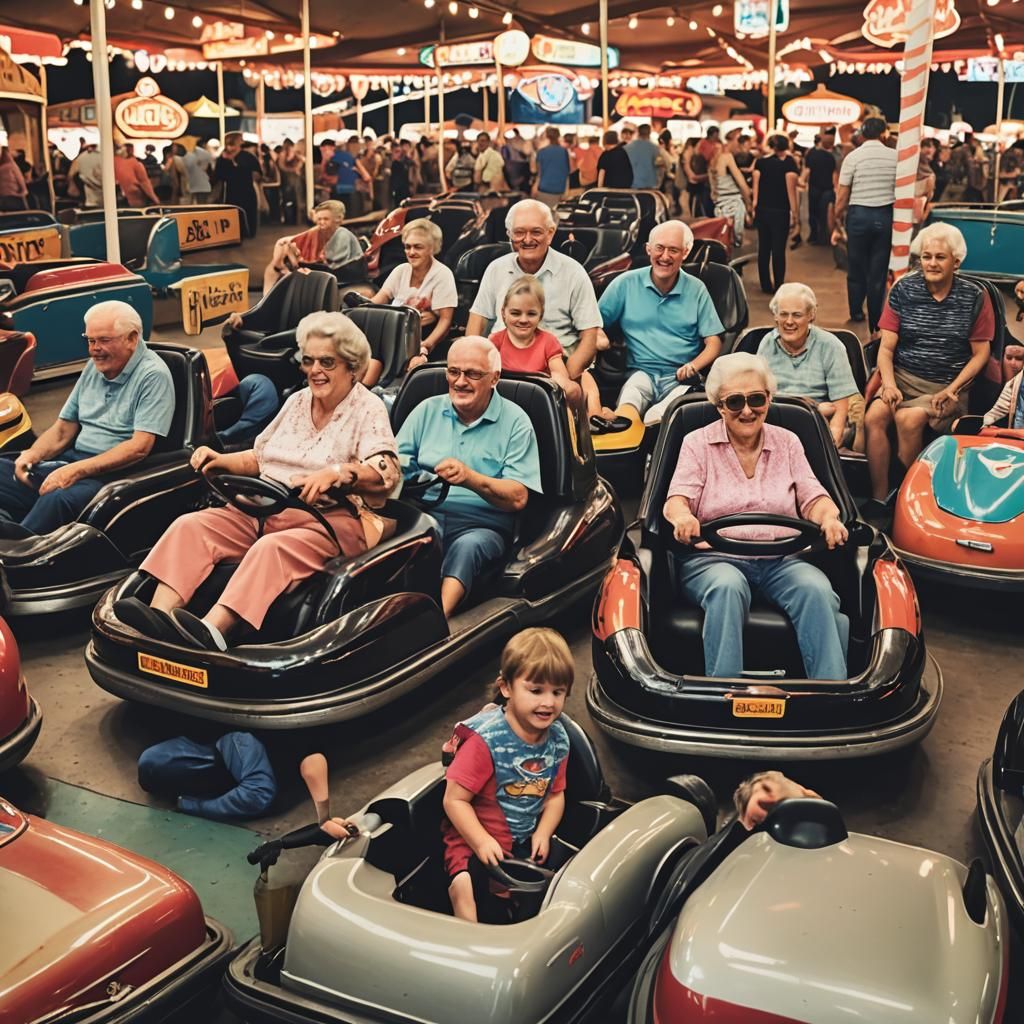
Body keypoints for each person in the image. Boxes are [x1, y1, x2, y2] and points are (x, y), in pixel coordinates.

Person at [114, 312, 400, 650]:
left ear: (352, 367)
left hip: (326, 520)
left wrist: (338, 473)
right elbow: (260, 457)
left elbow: (386, 469)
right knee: (190, 526)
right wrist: (220, 461)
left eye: (327, 362)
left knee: (271, 548)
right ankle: (158, 619)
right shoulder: (297, 401)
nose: (315, 371)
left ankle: (213, 631)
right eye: (308, 361)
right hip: (264, 508)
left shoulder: (367, 408)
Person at [663, 352, 850, 680]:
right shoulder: (697, 443)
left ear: (769, 399)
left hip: (781, 558)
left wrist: (830, 519)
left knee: (817, 589)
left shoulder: (788, 442)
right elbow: (678, 500)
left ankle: (831, 696)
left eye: (756, 399)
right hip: (715, 559)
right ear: (719, 406)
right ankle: (722, 694)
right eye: (734, 401)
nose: (747, 410)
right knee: (727, 587)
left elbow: (813, 497)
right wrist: (683, 518)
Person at [0, 301, 174, 537]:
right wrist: (32, 454)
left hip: (111, 475)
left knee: (58, 499)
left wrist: (76, 471)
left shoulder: (153, 375)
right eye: (91, 340)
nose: (94, 349)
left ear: (132, 339)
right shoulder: (94, 367)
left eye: (103, 340)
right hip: (72, 461)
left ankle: (17, 552)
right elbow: (63, 430)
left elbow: (138, 448)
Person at [396, 336, 542, 616]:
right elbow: (393, 466)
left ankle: (438, 622)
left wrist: (469, 478)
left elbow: (518, 497)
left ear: (494, 378)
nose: (460, 382)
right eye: (453, 372)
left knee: (467, 547)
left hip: (483, 526)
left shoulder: (516, 422)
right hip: (425, 515)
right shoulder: (427, 410)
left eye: (473, 374)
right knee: (404, 536)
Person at [441, 627, 572, 922]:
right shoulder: (487, 741)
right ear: (506, 688)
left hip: (518, 838)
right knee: (467, 886)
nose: (548, 702)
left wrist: (544, 832)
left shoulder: (558, 740)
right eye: (536, 690)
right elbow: (454, 801)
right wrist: (481, 841)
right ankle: (464, 922)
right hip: (472, 836)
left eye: (558, 692)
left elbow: (555, 794)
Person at [864, 223, 993, 501]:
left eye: (940, 257)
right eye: (926, 256)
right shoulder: (903, 289)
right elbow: (885, 349)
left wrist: (953, 389)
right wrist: (887, 385)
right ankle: (878, 498)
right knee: (874, 416)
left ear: (956, 262)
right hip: (902, 377)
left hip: (946, 386)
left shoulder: (974, 296)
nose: (931, 263)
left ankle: (918, 499)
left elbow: (981, 354)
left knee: (907, 419)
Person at [598, 220, 723, 425]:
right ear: (649, 249)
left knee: (657, 418)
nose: (665, 256)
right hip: (640, 372)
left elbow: (714, 342)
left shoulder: (697, 289)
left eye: (673, 250)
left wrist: (694, 366)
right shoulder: (625, 283)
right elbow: (593, 326)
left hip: (681, 378)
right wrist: (599, 337)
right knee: (628, 405)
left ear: (686, 252)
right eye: (659, 248)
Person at [467, 199, 601, 384]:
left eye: (536, 232)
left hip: (556, 366)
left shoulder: (574, 272)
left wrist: (561, 384)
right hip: (501, 367)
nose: (527, 239)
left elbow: (589, 340)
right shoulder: (495, 269)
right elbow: (476, 324)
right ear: (510, 235)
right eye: (519, 232)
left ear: (550, 233)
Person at [757, 283, 862, 449]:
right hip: (775, 421)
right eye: (783, 314)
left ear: (811, 315)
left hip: (815, 425)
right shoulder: (767, 344)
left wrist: (833, 436)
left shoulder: (831, 346)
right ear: (775, 316)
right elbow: (758, 393)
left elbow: (841, 404)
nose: (789, 322)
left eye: (797, 315)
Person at [833, 116, 897, 338]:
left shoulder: (853, 157)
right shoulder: (895, 157)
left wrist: (836, 219)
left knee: (856, 265)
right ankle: (876, 321)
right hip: (885, 215)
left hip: (858, 215)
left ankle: (856, 311)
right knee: (878, 271)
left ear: (862, 134)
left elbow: (842, 195)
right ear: (884, 134)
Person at [371, 218, 457, 372]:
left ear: (432, 248)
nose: (411, 252)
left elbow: (445, 321)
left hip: (424, 338)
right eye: (407, 247)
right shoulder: (401, 270)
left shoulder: (443, 274)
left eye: (418, 247)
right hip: (392, 333)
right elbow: (377, 301)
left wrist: (426, 346)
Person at [489, 276, 576, 396]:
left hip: (537, 404)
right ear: (503, 313)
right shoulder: (495, 342)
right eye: (515, 313)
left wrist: (563, 384)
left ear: (540, 315)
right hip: (504, 402)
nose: (523, 320)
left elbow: (559, 375)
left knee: (574, 389)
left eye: (531, 314)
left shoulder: (548, 342)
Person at [262, 199, 363, 294]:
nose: (322, 222)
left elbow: (333, 263)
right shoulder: (319, 231)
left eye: (326, 219)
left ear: (338, 219)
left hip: (345, 275)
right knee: (277, 265)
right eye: (319, 219)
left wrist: (303, 264)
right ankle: (266, 298)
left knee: (296, 273)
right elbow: (285, 242)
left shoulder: (342, 234)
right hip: (330, 271)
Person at [752, 135, 799, 295]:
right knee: (778, 250)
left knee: (764, 248)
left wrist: (754, 208)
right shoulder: (789, 163)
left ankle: (765, 285)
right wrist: (795, 214)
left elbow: (756, 189)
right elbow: (791, 191)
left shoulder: (760, 162)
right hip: (781, 211)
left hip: (762, 210)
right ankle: (779, 285)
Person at [215, 132, 260, 237]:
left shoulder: (247, 156)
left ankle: (246, 233)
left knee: (247, 213)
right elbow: (218, 175)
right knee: (233, 213)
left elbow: (257, 173)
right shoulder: (223, 158)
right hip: (231, 190)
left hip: (245, 189)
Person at [712, 133, 752, 248]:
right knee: (736, 244)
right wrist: (749, 204)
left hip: (720, 207)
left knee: (724, 242)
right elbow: (742, 184)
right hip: (733, 205)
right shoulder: (727, 157)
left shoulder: (713, 161)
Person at [801, 128, 838, 246]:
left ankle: (814, 235)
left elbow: (807, 170)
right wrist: (836, 188)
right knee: (826, 214)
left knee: (813, 212)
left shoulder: (811, 154)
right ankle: (825, 236)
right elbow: (834, 174)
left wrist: (801, 180)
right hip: (828, 189)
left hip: (814, 188)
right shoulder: (831, 157)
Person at [532, 127, 570, 208]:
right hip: (560, 189)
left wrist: (535, 187)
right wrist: (566, 190)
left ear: (546, 136)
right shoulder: (564, 151)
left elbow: (538, 172)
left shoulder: (541, 152)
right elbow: (567, 172)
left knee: (545, 216)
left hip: (544, 189)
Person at [625, 122, 664, 190]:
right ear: (649, 133)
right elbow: (660, 167)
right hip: (650, 184)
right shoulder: (655, 148)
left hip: (631, 183)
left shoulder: (627, 148)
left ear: (638, 132)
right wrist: (659, 183)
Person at [68, 143, 104, 207]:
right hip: (111, 201)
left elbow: (71, 174)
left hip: (90, 201)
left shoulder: (80, 158)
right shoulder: (108, 156)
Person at [183, 138, 213, 204]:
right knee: (202, 207)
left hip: (192, 185)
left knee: (192, 206)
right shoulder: (205, 154)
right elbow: (209, 169)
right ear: (203, 145)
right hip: (203, 185)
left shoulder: (188, 156)